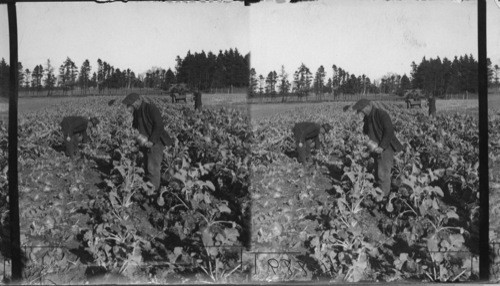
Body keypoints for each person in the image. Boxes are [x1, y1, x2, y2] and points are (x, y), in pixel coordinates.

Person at [350, 99, 403, 196]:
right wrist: (363, 137)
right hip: (375, 147)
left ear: (368, 106)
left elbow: (389, 131)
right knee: (378, 172)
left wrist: (382, 147)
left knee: (382, 174)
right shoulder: (368, 117)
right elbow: (366, 130)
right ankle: (380, 192)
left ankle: (384, 196)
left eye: (362, 110)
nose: (361, 112)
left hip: (386, 148)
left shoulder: (381, 114)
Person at [122, 93, 174, 191]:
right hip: (145, 142)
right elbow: (135, 125)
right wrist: (133, 132)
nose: (128, 107)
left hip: (156, 141)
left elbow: (159, 125)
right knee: (146, 165)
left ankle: (153, 191)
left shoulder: (150, 108)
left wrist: (152, 141)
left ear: (137, 101)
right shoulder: (137, 111)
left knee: (152, 167)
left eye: (130, 104)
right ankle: (149, 187)